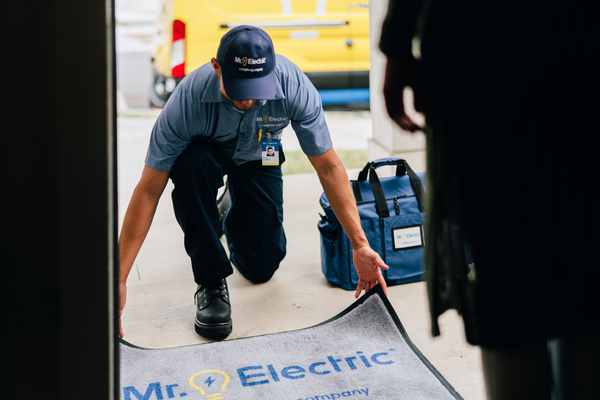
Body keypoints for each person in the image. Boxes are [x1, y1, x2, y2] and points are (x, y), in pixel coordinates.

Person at [379, 1, 600, 399]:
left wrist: (397, 47)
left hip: (483, 52)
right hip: (571, 41)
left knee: (507, 264)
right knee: (585, 262)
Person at [118, 25, 388, 340]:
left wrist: (359, 244)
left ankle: (228, 206)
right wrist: (119, 279)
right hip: (208, 153)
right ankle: (210, 281)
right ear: (216, 68)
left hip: (264, 149)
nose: (246, 101)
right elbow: (150, 188)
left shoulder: (295, 88)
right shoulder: (187, 101)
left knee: (261, 268)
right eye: (237, 90)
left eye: (255, 90)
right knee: (190, 167)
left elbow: (328, 167)